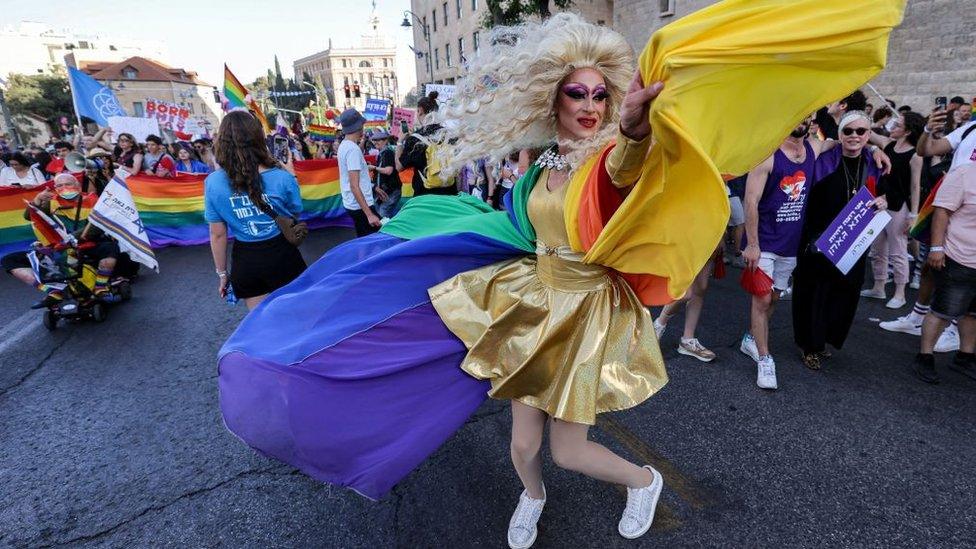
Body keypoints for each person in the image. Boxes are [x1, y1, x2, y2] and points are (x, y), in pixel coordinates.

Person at [214, 5, 904, 548]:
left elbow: (619, 175)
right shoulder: (541, 165)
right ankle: (532, 496)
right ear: (554, 98)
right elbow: (521, 224)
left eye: (600, 95)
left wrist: (632, 132)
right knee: (521, 442)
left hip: (582, 315)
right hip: (533, 301)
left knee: (569, 448)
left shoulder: (610, 156)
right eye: (575, 92)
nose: (588, 103)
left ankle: (645, 477)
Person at [792, 111, 887, 370]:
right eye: (848, 131)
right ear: (840, 134)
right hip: (817, 237)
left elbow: (884, 195)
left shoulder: (874, 161)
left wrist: (882, 201)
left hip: (853, 241)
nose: (854, 136)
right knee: (813, 293)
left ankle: (823, 341)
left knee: (843, 292)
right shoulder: (824, 156)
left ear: (868, 135)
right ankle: (808, 345)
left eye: (861, 131)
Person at [740, 117, 820, 388]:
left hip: (790, 244)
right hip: (763, 243)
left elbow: (842, 142)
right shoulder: (768, 154)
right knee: (762, 301)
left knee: (774, 298)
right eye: (799, 114)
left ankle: (751, 339)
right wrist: (752, 244)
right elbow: (750, 200)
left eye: (809, 116)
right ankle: (765, 360)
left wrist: (878, 148)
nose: (803, 120)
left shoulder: (813, 149)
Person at [204, 111, 306, 310]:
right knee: (297, 318)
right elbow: (295, 212)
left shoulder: (213, 182)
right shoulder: (281, 176)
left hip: (247, 262)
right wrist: (291, 176)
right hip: (283, 256)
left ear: (222, 142)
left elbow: (217, 234)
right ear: (258, 138)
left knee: (261, 327)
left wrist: (223, 274)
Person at [1, 173, 121, 307]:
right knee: (10, 260)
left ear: (78, 186)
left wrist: (70, 239)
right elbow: (29, 216)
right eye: (59, 185)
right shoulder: (52, 202)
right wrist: (37, 200)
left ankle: (100, 287)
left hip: (85, 245)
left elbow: (97, 226)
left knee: (111, 248)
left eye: (68, 184)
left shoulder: (93, 200)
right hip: (58, 249)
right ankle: (55, 291)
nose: (64, 188)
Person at [912, 161, 976, 383]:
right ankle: (925, 356)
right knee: (943, 310)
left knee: (972, 312)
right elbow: (941, 211)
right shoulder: (965, 172)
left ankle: (965, 356)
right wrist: (937, 248)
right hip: (959, 254)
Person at [860, 112, 925, 308]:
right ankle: (879, 287)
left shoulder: (915, 155)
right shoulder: (888, 144)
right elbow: (867, 133)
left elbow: (915, 186)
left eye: (898, 123)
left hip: (899, 206)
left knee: (898, 251)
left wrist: (914, 215)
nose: (893, 125)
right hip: (880, 202)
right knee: (878, 248)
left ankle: (900, 293)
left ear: (908, 130)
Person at [396, 91, 457, 197]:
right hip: (450, 195)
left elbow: (399, 167)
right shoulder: (450, 134)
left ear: (419, 111)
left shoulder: (415, 139)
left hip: (425, 197)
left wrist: (400, 141)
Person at [337, 109, 380, 236]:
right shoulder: (353, 150)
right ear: (359, 126)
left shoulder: (344, 145)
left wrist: (373, 187)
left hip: (353, 204)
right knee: (372, 243)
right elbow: (354, 185)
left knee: (364, 241)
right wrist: (369, 215)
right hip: (361, 206)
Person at [370, 129, 400, 219]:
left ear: (385, 140)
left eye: (378, 140)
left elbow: (389, 170)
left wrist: (374, 168)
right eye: (374, 140)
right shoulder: (382, 153)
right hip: (385, 191)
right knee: (380, 215)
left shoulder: (387, 152)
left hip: (391, 191)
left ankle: (386, 232)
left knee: (382, 215)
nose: (375, 142)